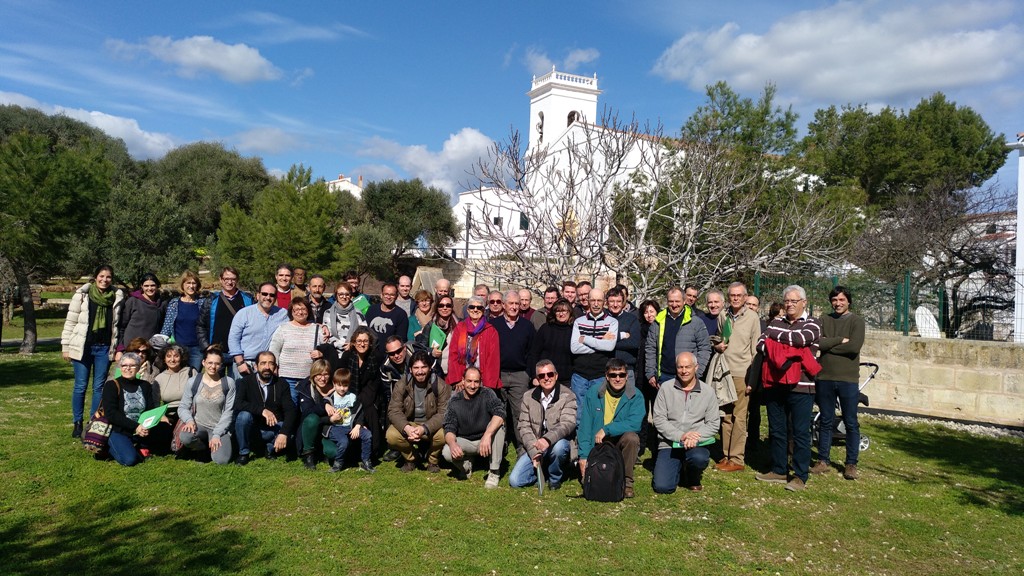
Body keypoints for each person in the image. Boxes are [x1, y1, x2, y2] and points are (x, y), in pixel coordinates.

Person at [755, 285, 821, 492]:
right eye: (787, 301)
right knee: (777, 429)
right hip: (775, 384)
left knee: (800, 432)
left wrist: (777, 341)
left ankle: (800, 475)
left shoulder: (814, 324)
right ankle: (779, 469)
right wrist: (790, 350)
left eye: (794, 301)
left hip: (801, 387)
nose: (790, 304)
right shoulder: (776, 322)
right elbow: (761, 343)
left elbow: (802, 340)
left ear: (804, 302)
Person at [62, 264, 125, 438]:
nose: (105, 280)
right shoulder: (82, 295)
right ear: (95, 277)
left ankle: (92, 421)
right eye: (101, 276)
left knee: (99, 387)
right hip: (83, 347)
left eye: (108, 277)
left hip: (104, 348)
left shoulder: (117, 297)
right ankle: (77, 422)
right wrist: (65, 347)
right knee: (80, 386)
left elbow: (118, 326)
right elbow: (71, 321)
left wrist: (116, 348)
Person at [812, 285, 866, 481]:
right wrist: (838, 340)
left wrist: (829, 344)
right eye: (835, 300)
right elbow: (817, 343)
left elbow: (853, 347)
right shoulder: (824, 320)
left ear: (848, 301)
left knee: (850, 422)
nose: (838, 303)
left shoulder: (857, 322)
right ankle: (823, 460)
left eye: (841, 300)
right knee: (825, 420)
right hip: (824, 377)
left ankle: (851, 463)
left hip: (848, 379)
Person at [651, 352, 719, 493]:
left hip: (696, 443)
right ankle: (679, 467)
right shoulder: (666, 388)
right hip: (670, 442)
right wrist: (681, 436)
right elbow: (659, 419)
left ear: (696, 367)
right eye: (680, 367)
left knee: (698, 458)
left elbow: (713, 423)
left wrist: (695, 436)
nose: (684, 371)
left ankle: (693, 475)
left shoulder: (708, 392)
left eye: (688, 367)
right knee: (663, 487)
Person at [577, 359, 645, 498]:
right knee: (593, 483)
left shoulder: (636, 395)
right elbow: (585, 426)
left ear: (627, 376)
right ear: (606, 376)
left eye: (621, 375)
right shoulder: (593, 393)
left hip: (619, 441)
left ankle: (627, 483)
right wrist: (583, 456)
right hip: (598, 443)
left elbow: (635, 423)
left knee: (632, 438)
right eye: (613, 375)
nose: (618, 379)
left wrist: (607, 429)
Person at [713, 282, 761, 473]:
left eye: (738, 295)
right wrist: (717, 347)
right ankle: (726, 455)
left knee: (740, 417)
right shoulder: (723, 316)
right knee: (726, 416)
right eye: (732, 295)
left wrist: (753, 379)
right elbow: (719, 339)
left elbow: (756, 350)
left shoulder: (753, 318)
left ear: (745, 297)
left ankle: (737, 458)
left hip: (743, 373)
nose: (735, 298)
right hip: (724, 373)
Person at [509, 360, 577, 490]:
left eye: (550, 374)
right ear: (537, 379)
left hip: (556, 443)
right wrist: (534, 451)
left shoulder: (568, 395)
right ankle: (542, 473)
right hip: (535, 444)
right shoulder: (528, 396)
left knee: (559, 448)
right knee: (515, 481)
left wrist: (547, 439)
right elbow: (523, 426)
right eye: (542, 376)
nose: (546, 378)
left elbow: (568, 424)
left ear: (556, 376)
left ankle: (554, 478)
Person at [386, 352, 451, 473]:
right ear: (410, 369)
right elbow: (394, 410)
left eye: (423, 367)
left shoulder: (441, 385)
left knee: (444, 434)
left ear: (430, 368)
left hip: (431, 425)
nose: (420, 371)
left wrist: (424, 428)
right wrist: (407, 428)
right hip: (410, 423)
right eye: (416, 368)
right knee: (391, 435)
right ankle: (411, 459)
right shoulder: (402, 384)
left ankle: (432, 460)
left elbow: (444, 413)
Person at [442, 367, 506, 488]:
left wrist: (487, 435)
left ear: (480, 382)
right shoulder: (454, 401)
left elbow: (500, 412)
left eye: (476, 382)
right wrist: (452, 444)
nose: (472, 385)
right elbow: (449, 427)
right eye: (469, 381)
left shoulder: (487, 393)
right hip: (466, 441)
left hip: (486, 440)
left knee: (499, 426)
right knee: (447, 451)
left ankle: (494, 472)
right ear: (463, 381)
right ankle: (465, 466)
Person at [101, 352, 166, 466]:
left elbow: (149, 409)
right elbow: (111, 414)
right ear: (120, 367)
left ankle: (136, 445)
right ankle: (108, 447)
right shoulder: (111, 385)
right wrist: (136, 426)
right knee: (130, 460)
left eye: (132, 365)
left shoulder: (145, 385)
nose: (128, 368)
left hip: (140, 428)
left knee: (165, 432)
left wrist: (146, 426)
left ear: (139, 367)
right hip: (118, 429)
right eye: (124, 365)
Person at [233, 351, 297, 465]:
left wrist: (283, 433)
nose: (267, 367)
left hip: (272, 428)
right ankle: (244, 453)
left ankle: (269, 449)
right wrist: (262, 410)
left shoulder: (282, 384)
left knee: (289, 432)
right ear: (256, 366)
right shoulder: (245, 382)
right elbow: (238, 403)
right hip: (253, 429)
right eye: (263, 363)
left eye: (271, 363)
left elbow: (290, 410)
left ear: (275, 367)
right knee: (243, 416)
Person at [490, 289, 536, 448]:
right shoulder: (493, 325)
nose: (515, 307)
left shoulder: (527, 326)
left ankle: (521, 447)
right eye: (511, 303)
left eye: (517, 303)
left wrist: (528, 374)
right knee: (498, 412)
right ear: (503, 305)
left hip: (519, 376)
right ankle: (498, 446)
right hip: (499, 374)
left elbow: (532, 352)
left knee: (520, 414)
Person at [176, 347, 236, 464]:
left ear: (221, 365)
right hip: (199, 425)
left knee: (222, 460)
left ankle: (215, 445)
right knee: (185, 436)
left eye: (217, 363)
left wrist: (217, 434)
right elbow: (183, 406)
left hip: (218, 427)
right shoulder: (194, 381)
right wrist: (189, 421)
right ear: (203, 362)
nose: (213, 367)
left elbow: (229, 412)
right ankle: (202, 448)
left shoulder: (228, 383)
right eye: (210, 363)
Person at [644, 286, 711, 390]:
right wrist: (650, 373)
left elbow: (705, 348)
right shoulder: (658, 322)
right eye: (671, 301)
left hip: (687, 376)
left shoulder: (696, 322)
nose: (674, 305)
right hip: (664, 377)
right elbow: (650, 348)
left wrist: (697, 372)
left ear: (684, 301)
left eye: (677, 301)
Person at [269, 297, 328, 404]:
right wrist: (274, 367)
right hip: (287, 377)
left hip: (309, 378)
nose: (300, 312)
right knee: (291, 407)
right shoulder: (283, 328)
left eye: (303, 309)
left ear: (308, 311)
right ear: (291, 312)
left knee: (306, 409)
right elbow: (274, 351)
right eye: (296, 309)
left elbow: (327, 349)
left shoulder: (317, 329)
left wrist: (321, 353)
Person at [197, 267, 254, 378]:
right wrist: (206, 346)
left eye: (233, 279)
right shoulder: (211, 300)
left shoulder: (248, 300)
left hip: (240, 353)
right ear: (221, 280)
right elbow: (200, 325)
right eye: (226, 278)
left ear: (237, 280)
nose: (229, 282)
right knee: (216, 386)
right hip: (217, 352)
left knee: (238, 387)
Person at [570, 288, 618, 413]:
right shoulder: (579, 322)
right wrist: (601, 340)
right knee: (579, 412)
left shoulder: (612, 322)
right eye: (593, 300)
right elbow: (574, 348)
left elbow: (609, 347)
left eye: (599, 300)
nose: (596, 304)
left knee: (598, 411)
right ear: (588, 301)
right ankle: (580, 434)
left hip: (600, 374)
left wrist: (584, 339)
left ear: (604, 302)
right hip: (579, 375)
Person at [339, 327, 385, 460]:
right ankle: (350, 449)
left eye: (365, 341)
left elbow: (375, 382)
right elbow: (341, 376)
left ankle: (373, 451)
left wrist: (360, 400)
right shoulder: (348, 356)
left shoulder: (376, 357)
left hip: (370, 394)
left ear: (370, 343)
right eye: (358, 341)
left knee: (369, 409)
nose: (362, 344)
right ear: (353, 343)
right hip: (349, 393)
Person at [227, 281, 288, 377]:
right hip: (245, 363)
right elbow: (233, 339)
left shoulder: (283, 314)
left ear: (275, 298)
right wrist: (240, 363)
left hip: (268, 365)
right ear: (258, 295)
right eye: (264, 294)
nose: (268, 297)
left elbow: (297, 324)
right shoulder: (244, 313)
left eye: (272, 295)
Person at [324, 368, 375, 473]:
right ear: (334, 384)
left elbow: (360, 412)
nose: (342, 389)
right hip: (336, 427)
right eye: (339, 385)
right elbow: (322, 404)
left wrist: (358, 425)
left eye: (345, 385)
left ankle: (366, 461)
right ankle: (338, 463)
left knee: (367, 435)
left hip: (350, 426)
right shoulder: (330, 398)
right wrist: (326, 405)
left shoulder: (352, 397)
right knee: (343, 442)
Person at [446, 296, 501, 391]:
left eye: (479, 308)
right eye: (472, 307)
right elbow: (453, 354)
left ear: (483, 310)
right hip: (463, 379)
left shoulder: (491, 331)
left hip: (482, 380)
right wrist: (458, 379)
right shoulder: (460, 328)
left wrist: (488, 384)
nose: (475, 310)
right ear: (467, 310)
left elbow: (493, 359)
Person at [151, 343, 197, 453]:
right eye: (169, 356)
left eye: (176, 356)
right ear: (164, 359)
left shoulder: (191, 372)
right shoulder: (159, 378)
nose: (172, 359)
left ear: (181, 358)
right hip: (170, 413)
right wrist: (161, 416)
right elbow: (155, 403)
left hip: (188, 411)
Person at [159, 270, 206, 369]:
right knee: (178, 377)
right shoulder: (174, 303)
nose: (191, 286)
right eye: (188, 283)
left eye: (194, 283)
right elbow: (167, 327)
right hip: (178, 348)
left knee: (193, 378)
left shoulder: (203, 303)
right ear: (182, 285)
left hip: (197, 349)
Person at [296, 359, 336, 470]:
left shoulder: (337, 387)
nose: (323, 378)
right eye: (319, 374)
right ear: (313, 375)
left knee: (334, 453)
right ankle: (308, 455)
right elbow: (307, 412)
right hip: (310, 428)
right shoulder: (306, 388)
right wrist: (324, 404)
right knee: (312, 418)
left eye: (326, 374)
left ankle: (323, 452)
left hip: (328, 429)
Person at [527, 299, 574, 387]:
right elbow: (534, 353)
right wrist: (534, 376)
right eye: (558, 311)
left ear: (569, 312)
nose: (561, 314)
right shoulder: (545, 329)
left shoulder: (574, 330)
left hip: (567, 380)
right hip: (545, 378)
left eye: (564, 311)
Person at [117, 272, 164, 356]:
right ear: (141, 286)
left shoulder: (161, 304)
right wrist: (120, 349)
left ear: (157, 286)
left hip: (149, 350)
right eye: (146, 286)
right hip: (130, 348)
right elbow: (121, 326)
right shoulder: (133, 301)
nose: (149, 288)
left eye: (152, 285)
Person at [321, 282, 367, 363]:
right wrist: (342, 344)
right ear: (336, 295)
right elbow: (327, 335)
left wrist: (353, 344)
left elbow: (364, 333)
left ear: (351, 296)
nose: (344, 297)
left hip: (353, 354)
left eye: (347, 294)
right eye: (341, 294)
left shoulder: (358, 313)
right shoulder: (328, 313)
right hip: (333, 354)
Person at [414, 294, 457, 379]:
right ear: (437, 308)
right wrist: (431, 351)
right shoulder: (430, 325)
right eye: (441, 305)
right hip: (435, 370)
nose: (445, 308)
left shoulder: (458, 325)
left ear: (452, 307)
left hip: (453, 371)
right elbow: (421, 347)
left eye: (448, 305)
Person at [607, 287, 641, 388]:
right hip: (606, 368)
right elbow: (598, 339)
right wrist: (622, 335)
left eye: (618, 301)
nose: (615, 304)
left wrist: (608, 342)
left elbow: (634, 343)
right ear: (607, 302)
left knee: (628, 400)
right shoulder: (603, 318)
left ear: (623, 302)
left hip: (627, 369)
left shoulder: (632, 319)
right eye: (612, 301)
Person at [366, 282, 409, 362]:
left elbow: (401, 339)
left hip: (389, 357)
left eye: (392, 295)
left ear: (396, 296)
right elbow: (366, 330)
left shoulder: (401, 314)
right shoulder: (372, 310)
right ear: (381, 295)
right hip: (369, 355)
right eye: (386, 294)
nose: (388, 297)